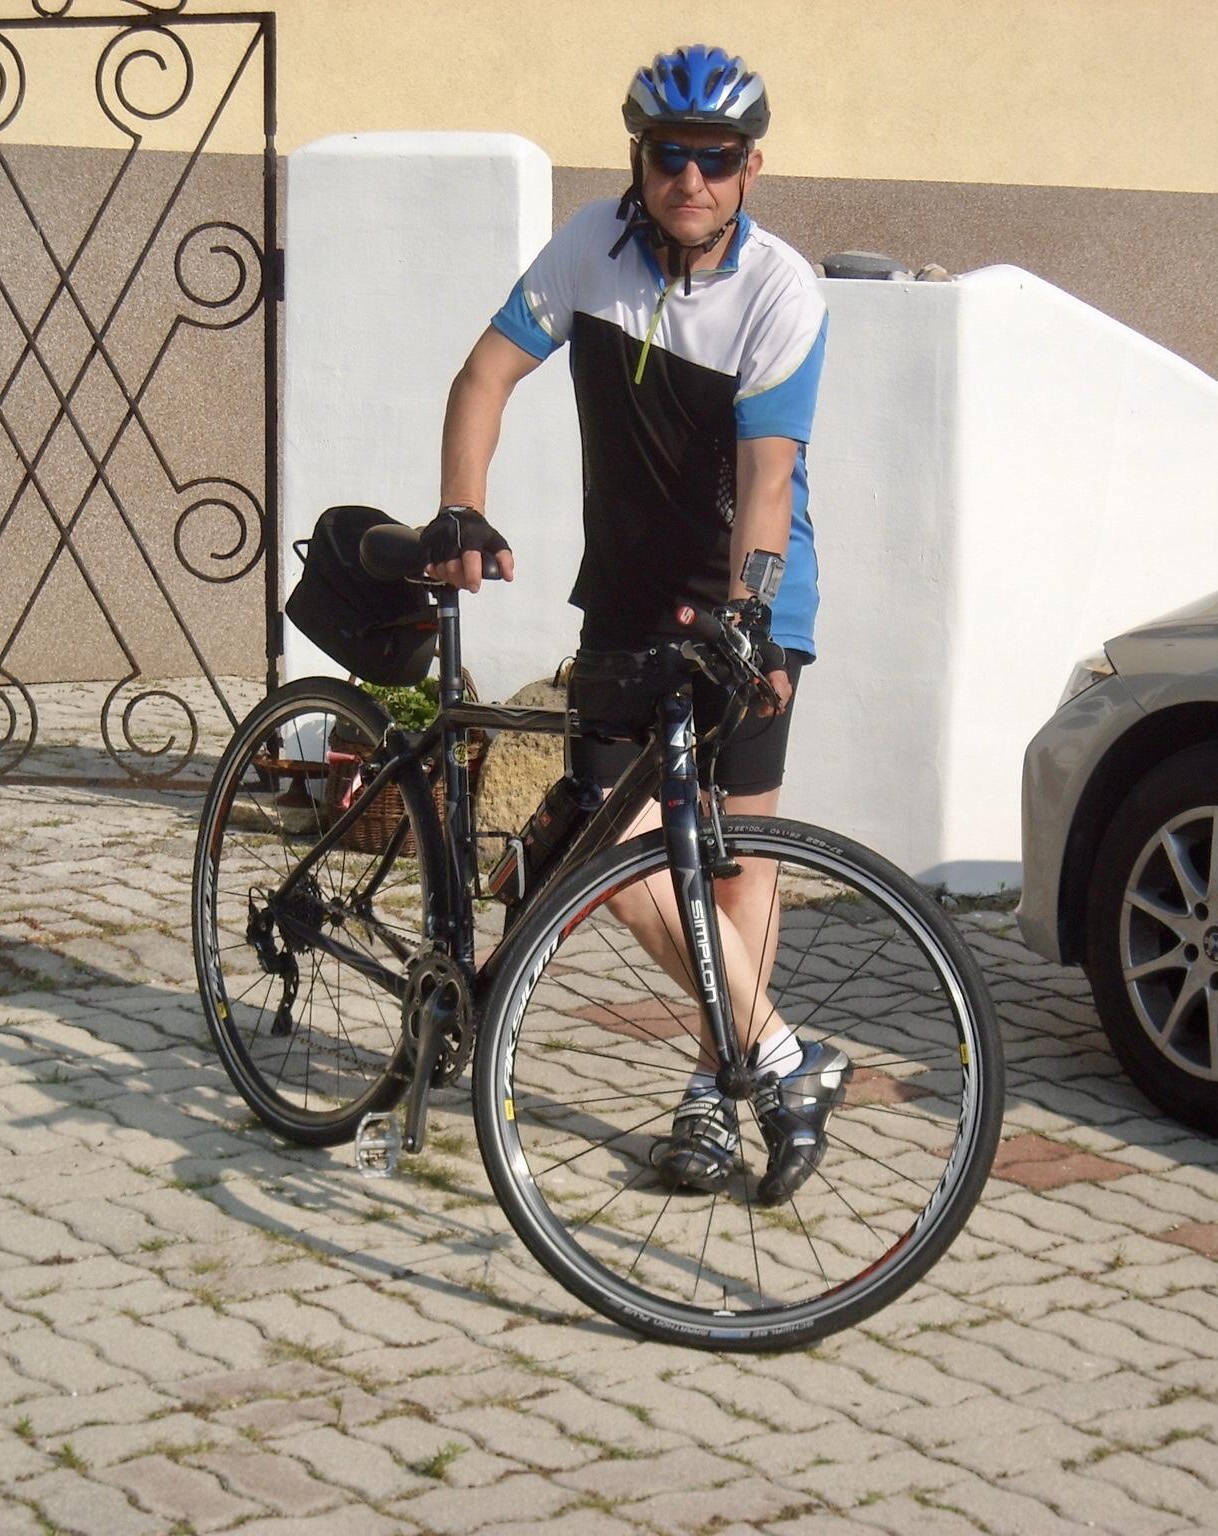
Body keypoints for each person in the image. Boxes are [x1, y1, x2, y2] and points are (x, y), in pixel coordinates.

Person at [425, 45, 845, 1206]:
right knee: (607, 850)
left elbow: (767, 477)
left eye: (715, 158)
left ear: (750, 166)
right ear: (638, 159)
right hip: (623, 597)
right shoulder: (587, 251)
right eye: (669, 156)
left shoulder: (780, 292)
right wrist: (461, 507)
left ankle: (712, 1096)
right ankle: (776, 1055)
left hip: (749, 601)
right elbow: (481, 377)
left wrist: (750, 619)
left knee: (737, 860)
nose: (689, 180)